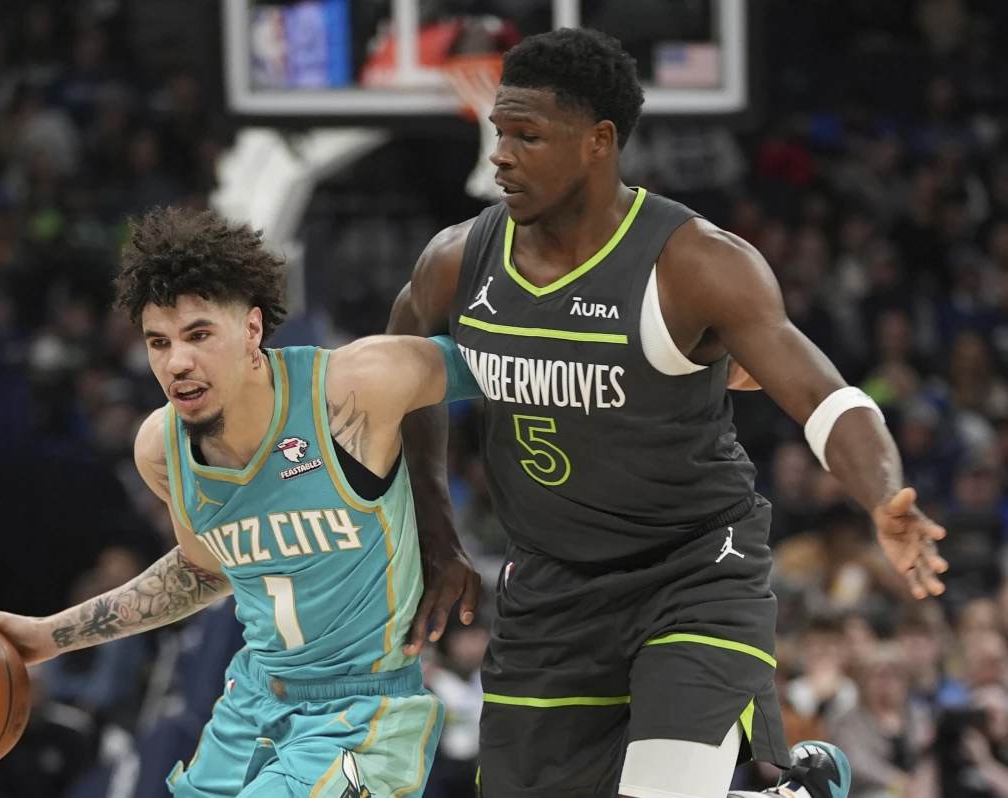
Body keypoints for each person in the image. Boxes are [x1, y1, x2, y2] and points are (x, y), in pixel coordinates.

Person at [388, 28, 948, 798]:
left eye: (528, 137)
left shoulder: (695, 263)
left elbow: (826, 396)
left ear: (599, 141)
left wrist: (882, 494)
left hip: (693, 571)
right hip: (549, 584)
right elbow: (398, 374)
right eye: (499, 133)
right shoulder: (459, 259)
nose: (501, 157)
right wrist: (435, 528)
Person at [0, 206, 484, 798]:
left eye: (199, 335)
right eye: (158, 342)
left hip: (362, 715)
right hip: (251, 707)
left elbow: (515, 363)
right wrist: (49, 635)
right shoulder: (161, 449)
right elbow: (204, 571)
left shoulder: (351, 388)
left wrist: (444, 527)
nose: (177, 362)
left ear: (253, 330)